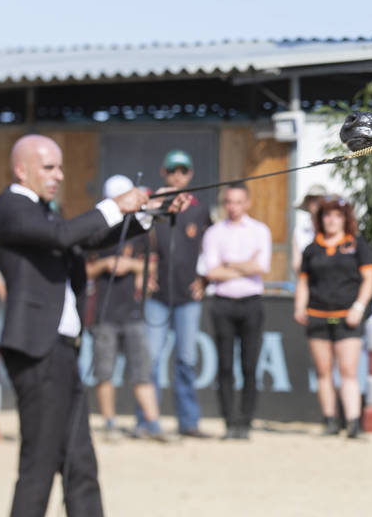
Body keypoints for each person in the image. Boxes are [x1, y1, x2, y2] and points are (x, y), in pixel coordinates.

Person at [0, 134, 187, 517]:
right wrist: (115, 204)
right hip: (35, 352)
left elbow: (87, 239)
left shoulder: (42, 212)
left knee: (81, 465)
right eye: (51, 167)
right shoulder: (11, 208)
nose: (59, 175)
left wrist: (148, 212)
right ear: (23, 170)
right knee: (39, 465)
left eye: (60, 167)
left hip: (60, 351)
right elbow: (65, 236)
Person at [86, 175, 167, 443]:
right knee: (105, 371)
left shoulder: (139, 230)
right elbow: (85, 269)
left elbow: (152, 265)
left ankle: (153, 423)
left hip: (132, 311)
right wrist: (106, 265)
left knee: (142, 370)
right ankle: (110, 423)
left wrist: (130, 266)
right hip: (104, 310)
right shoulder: (95, 229)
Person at [294, 196, 372, 438]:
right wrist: (300, 307)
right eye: (327, 215)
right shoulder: (312, 248)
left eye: (337, 216)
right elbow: (303, 283)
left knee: (348, 371)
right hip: (318, 315)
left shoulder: (358, 245)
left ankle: (353, 423)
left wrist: (358, 307)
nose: (331, 220)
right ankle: (329, 421)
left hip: (347, 316)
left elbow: (369, 281)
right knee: (323, 372)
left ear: (345, 219)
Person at [143, 150, 212, 439]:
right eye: (173, 171)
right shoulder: (153, 206)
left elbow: (211, 248)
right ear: (164, 174)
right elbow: (141, 238)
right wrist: (142, 273)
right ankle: (147, 421)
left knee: (185, 360)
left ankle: (188, 422)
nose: (177, 176)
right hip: (157, 295)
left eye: (182, 171)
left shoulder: (199, 209)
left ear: (190, 175)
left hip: (187, 295)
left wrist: (204, 280)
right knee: (150, 360)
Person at [199, 182, 271, 440]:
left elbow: (261, 266)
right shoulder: (214, 233)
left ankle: (246, 422)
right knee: (225, 366)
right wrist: (244, 265)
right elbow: (212, 271)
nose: (233, 207)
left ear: (247, 203)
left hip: (251, 301)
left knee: (250, 365)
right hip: (223, 303)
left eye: (238, 202)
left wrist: (229, 264)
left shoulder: (260, 230)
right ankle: (230, 421)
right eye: (229, 202)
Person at [292, 184, 328, 274]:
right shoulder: (299, 231)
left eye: (320, 199)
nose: (317, 203)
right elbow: (296, 264)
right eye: (313, 199)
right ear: (307, 203)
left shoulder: (333, 228)